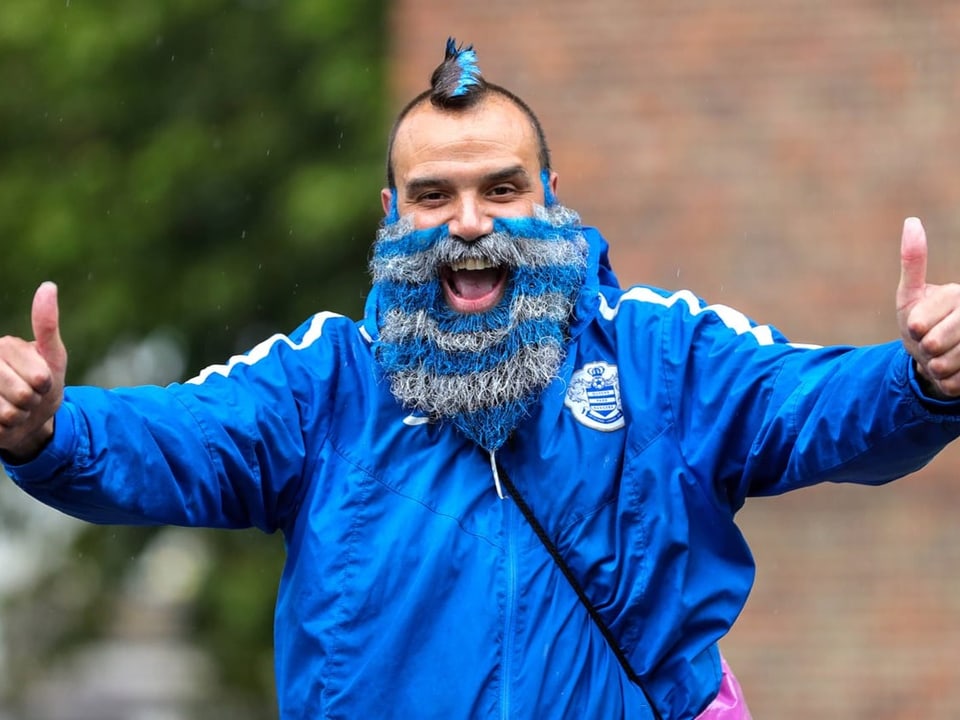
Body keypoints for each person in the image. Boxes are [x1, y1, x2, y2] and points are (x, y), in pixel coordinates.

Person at [1, 38, 959, 720]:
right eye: (434, 196)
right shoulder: (323, 384)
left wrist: (922, 376)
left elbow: (810, 407)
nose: (470, 221)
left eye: (502, 188)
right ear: (390, 217)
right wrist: (50, 430)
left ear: (550, 201)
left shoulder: (660, 356)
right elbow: (179, 439)